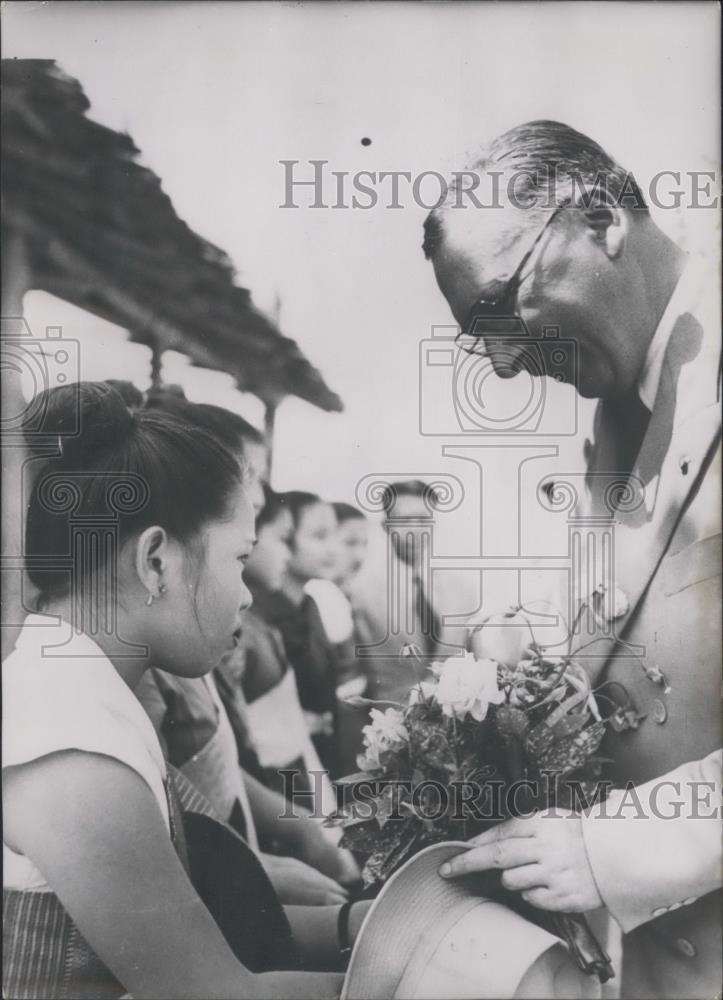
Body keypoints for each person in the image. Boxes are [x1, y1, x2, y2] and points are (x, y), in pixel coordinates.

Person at [422, 120, 722, 999]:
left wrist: (617, 851)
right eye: (479, 338)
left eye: (500, 305)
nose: (505, 363)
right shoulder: (609, 428)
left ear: (599, 220)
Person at [2, 381, 369, 999]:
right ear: (156, 561)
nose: (247, 592)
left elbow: (215, 932)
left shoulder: (86, 689)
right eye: (237, 558)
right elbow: (217, 991)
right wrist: (424, 965)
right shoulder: (70, 737)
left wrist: (377, 927)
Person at [259, 491, 342, 775]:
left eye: (334, 536)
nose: (333, 549)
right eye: (319, 536)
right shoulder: (263, 615)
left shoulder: (310, 605)